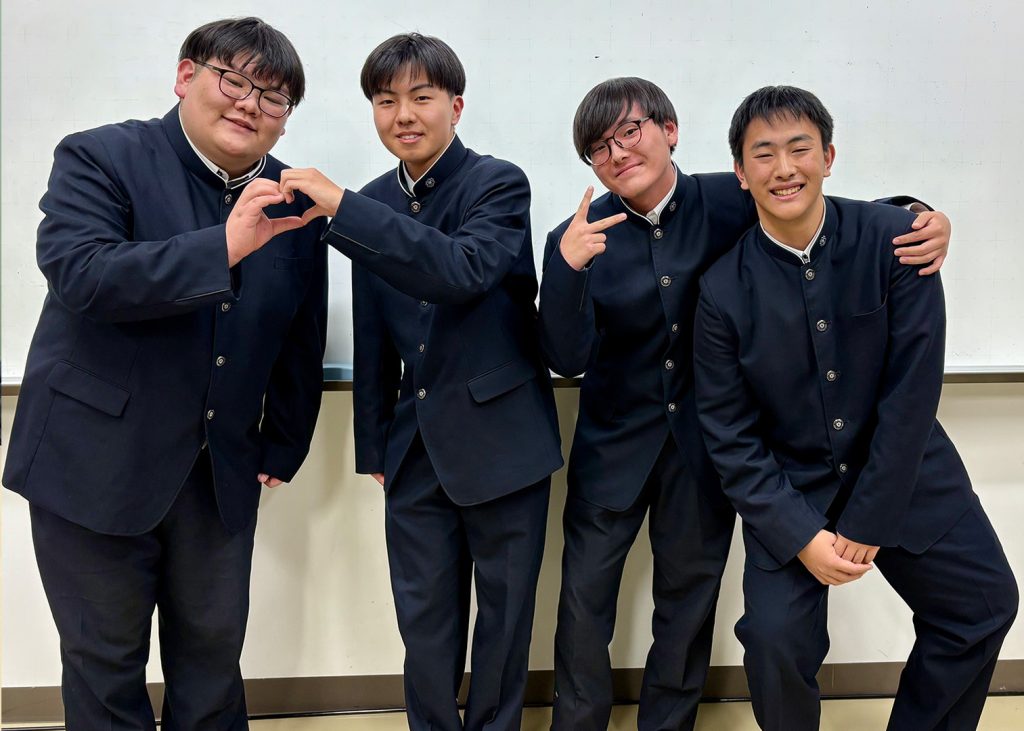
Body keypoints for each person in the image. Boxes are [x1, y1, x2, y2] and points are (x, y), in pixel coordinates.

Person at [538, 77, 951, 731]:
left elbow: (813, 206)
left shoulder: (728, 197)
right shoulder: (575, 236)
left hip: (705, 450)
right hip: (611, 451)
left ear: (669, 130)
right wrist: (568, 271)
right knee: (583, 605)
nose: (617, 152)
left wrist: (919, 213)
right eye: (598, 146)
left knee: (687, 605)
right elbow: (566, 357)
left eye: (630, 131)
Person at [2, 17, 327, 730]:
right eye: (233, 81)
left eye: (273, 98)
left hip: (217, 474)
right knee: (105, 667)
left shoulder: (295, 202)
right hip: (91, 463)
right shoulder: (100, 156)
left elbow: (300, 332)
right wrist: (223, 247)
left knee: (213, 669)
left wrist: (285, 440)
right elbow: (82, 273)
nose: (250, 105)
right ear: (186, 77)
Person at [693, 84, 1017, 731]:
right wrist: (800, 535)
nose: (784, 168)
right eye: (764, 154)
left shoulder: (899, 240)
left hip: (904, 470)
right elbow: (730, 435)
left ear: (829, 156)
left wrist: (869, 519)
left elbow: (911, 394)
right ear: (741, 173)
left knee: (983, 604)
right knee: (774, 642)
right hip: (793, 490)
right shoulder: (722, 291)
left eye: (799, 148)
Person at [279, 33, 562, 731]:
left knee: (504, 621)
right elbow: (373, 332)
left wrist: (344, 208)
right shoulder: (371, 201)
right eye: (385, 100)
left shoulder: (497, 183)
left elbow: (462, 269)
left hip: (505, 441)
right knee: (424, 623)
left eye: (421, 97)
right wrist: (375, 445)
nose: (402, 114)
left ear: (455, 106)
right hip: (413, 450)